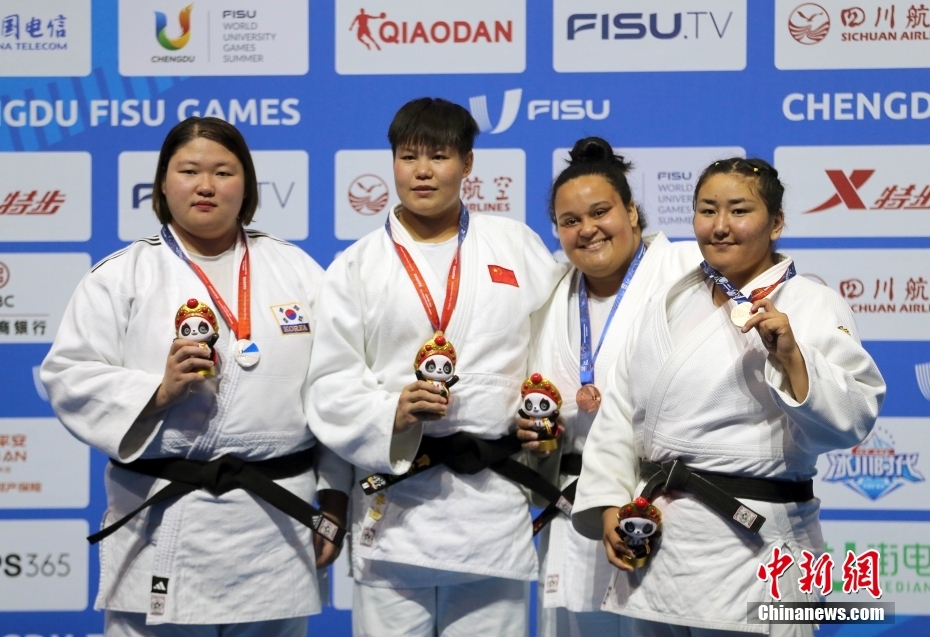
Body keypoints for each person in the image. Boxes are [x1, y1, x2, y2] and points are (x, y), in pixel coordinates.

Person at [41, 117, 349, 637]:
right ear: (162, 182)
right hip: (163, 520)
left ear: (246, 184)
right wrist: (155, 393)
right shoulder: (121, 275)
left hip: (274, 523)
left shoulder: (297, 270)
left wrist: (335, 501)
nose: (206, 185)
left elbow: (334, 389)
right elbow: (67, 375)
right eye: (189, 170)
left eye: (223, 171)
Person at [572, 158, 886, 636]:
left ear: (776, 223)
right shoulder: (667, 303)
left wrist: (794, 359)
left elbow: (855, 416)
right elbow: (619, 411)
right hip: (660, 547)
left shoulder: (811, 303)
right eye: (706, 210)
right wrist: (611, 504)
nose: (719, 227)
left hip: (756, 545)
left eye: (738, 210)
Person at [305, 97, 566, 637]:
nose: (422, 171)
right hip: (395, 511)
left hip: (491, 509)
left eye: (440, 156)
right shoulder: (355, 265)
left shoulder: (515, 245)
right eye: (408, 156)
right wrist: (390, 411)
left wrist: (544, 421)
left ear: (468, 164)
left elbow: (555, 345)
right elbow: (328, 382)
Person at [517, 137, 701, 637]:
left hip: (663, 504)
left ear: (633, 212)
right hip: (575, 509)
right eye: (570, 221)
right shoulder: (549, 293)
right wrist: (535, 436)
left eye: (601, 212)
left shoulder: (688, 275)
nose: (587, 230)